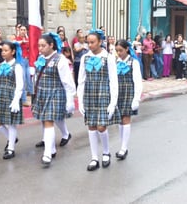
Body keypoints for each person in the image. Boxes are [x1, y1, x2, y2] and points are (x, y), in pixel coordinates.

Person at [77, 29, 119, 171]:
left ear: (100, 42)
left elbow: (113, 80)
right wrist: (80, 100)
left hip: (103, 94)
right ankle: (94, 157)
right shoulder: (85, 58)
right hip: (89, 94)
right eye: (88, 42)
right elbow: (81, 80)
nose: (90, 45)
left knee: (102, 126)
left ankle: (106, 152)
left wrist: (113, 103)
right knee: (91, 126)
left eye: (92, 42)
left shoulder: (108, 58)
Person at [32, 33, 76, 166]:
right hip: (42, 93)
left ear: (51, 45)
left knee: (48, 120)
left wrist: (70, 99)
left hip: (56, 93)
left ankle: (47, 154)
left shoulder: (60, 59)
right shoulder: (40, 58)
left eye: (43, 45)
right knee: (47, 120)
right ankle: (55, 144)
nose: (40, 48)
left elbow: (67, 81)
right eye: (39, 46)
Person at [0, 41, 24, 159]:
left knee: (11, 124)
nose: (3, 53)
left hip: (12, 95)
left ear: (13, 51)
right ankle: (12, 139)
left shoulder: (17, 66)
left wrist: (16, 100)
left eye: (6, 50)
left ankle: (11, 149)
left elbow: (20, 85)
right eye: (2, 51)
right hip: (1, 95)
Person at [114, 39, 142, 160]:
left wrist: (136, 98)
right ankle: (122, 144)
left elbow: (137, 81)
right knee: (120, 120)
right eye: (116, 51)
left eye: (120, 50)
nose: (119, 53)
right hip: (117, 93)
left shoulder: (133, 62)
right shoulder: (115, 62)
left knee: (126, 119)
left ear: (126, 49)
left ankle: (124, 148)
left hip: (128, 92)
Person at [15, 25, 33, 106]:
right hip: (20, 60)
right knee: (23, 80)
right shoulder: (16, 39)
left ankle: (32, 98)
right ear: (19, 30)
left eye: (24, 30)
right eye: (21, 30)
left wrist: (27, 39)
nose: (23, 31)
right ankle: (23, 100)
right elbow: (14, 43)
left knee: (29, 79)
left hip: (28, 60)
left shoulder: (28, 39)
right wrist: (22, 41)